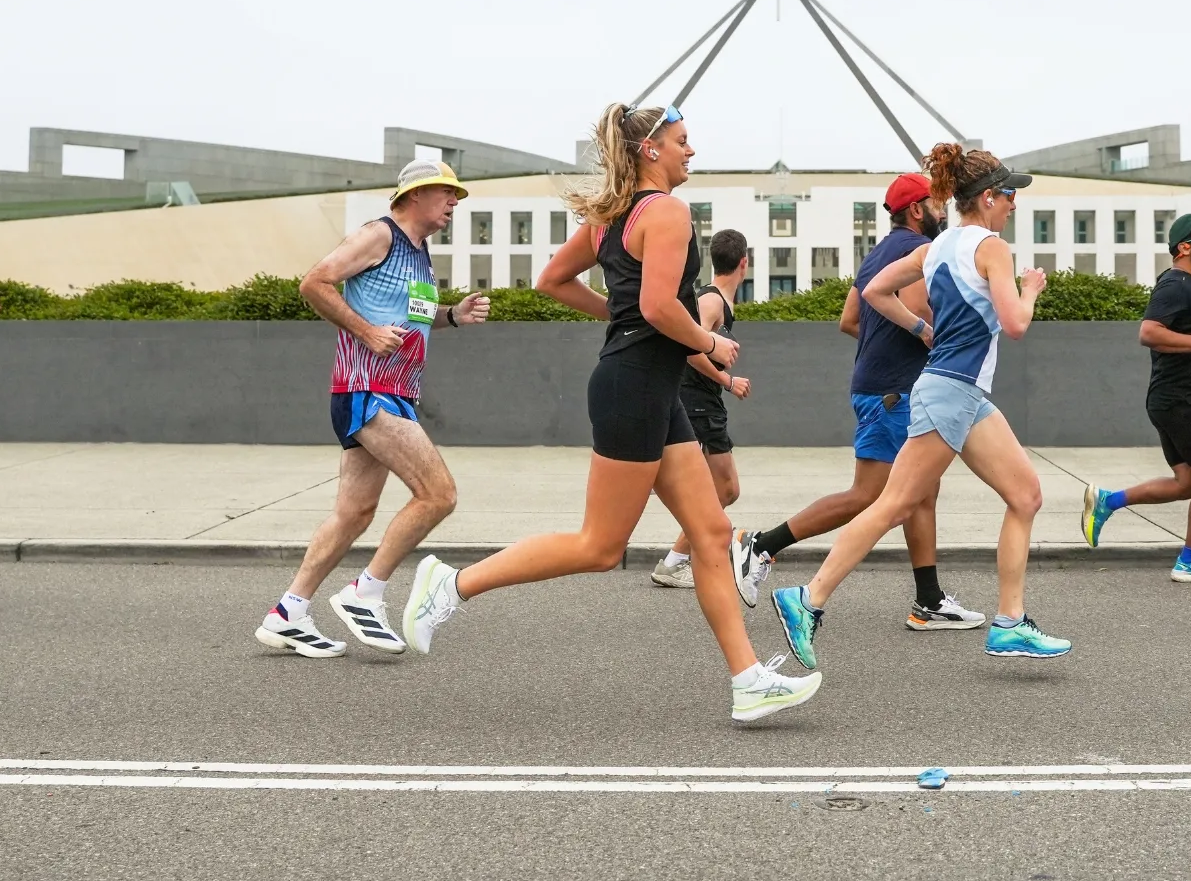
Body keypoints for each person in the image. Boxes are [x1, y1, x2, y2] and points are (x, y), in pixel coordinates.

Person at [400, 103, 820, 723]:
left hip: (646, 383)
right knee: (599, 546)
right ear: (651, 149)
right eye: (682, 141)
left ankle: (749, 679)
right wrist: (711, 345)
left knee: (708, 535)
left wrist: (618, 320)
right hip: (636, 388)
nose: (691, 152)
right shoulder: (668, 212)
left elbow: (553, 281)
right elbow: (656, 307)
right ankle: (450, 585)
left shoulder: (610, 217)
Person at [771, 144, 1069, 670]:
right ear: (988, 198)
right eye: (1010, 195)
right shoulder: (992, 247)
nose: (1014, 205)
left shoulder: (937, 247)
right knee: (892, 504)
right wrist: (1029, 289)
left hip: (962, 392)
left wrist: (922, 330)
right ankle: (808, 598)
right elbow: (1016, 324)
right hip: (950, 391)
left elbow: (875, 291)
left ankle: (1008, 624)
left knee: (1026, 494)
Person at [254, 159, 492, 658]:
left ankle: (288, 614)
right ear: (413, 195)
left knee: (353, 513)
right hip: (369, 390)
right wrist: (365, 333)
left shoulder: (420, 252)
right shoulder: (378, 235)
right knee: (438, 494)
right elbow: (313, 283)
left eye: (455, 195)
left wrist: (453, 316)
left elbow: (411, 318)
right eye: (446, 193)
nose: (454, 202)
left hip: (392, 392)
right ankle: (366, 592)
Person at [730, 172, 983, 630]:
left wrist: (889, 337)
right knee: (870, 495)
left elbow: (850, 319)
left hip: (882, 385)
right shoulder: (913, 253)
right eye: (937, 204)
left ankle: (929, 600)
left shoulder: (876, 256)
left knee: (922, 493)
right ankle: (761, 545)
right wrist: (927, 331)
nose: (944, 212)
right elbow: (926, 311)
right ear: (917, 210)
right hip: (894, 391)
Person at [1081, 213, 1191, 583]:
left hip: (1174, 398)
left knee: (1187, 483)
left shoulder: (1188, 285)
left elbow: (1174, 331)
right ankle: (1189, 561)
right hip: (1183, 400)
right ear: (1185, 247)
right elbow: (1149, 332)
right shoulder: (1176, 284)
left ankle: (1107, 501)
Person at [650, 229, 754, 588]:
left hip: (705, 402)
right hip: (696, 403)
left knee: (720, 489)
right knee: (724, 489)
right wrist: (728, 380)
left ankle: (679, 558)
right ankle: (676, 561)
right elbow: (689, 347)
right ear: (744, 262)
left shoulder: (721, 301)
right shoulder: (711, 302)